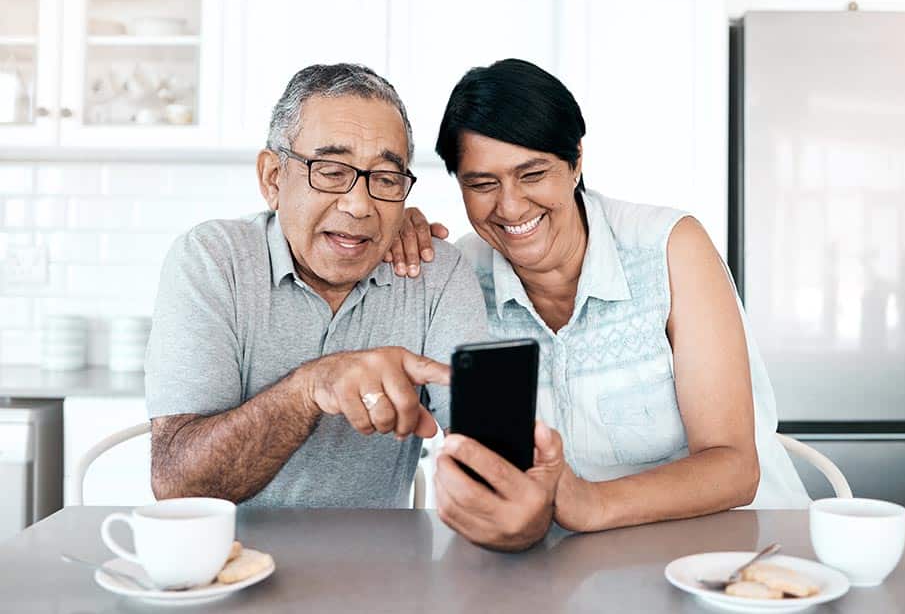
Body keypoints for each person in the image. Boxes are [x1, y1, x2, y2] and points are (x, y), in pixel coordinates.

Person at [387, 58, 810, 548]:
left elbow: (735, 467)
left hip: (742, 553)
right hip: (580, 566)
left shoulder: (670, 247)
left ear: (575, 162)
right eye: (482, 184)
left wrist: (590, 503)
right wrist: (388, 230)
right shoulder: (457, 277)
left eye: (533, 173)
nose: (511, 206)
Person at [145, 63, 489, 510]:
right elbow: (177, 483)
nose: (360, 204)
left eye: (385, 179)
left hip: (377, 569)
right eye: (330, 171)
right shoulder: (214, 260)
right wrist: (310, 388)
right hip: (226, 565)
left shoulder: (434, 271)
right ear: (273, 178)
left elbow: (486, 446)